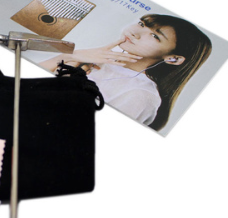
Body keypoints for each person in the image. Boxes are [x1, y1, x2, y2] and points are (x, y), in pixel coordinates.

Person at [39, 14, 212, 131]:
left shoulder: (141, 95)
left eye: (155, 36)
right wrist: (71, 55)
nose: (136, 32)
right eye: (141, 24)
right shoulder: (94, 58)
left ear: (173, 58)